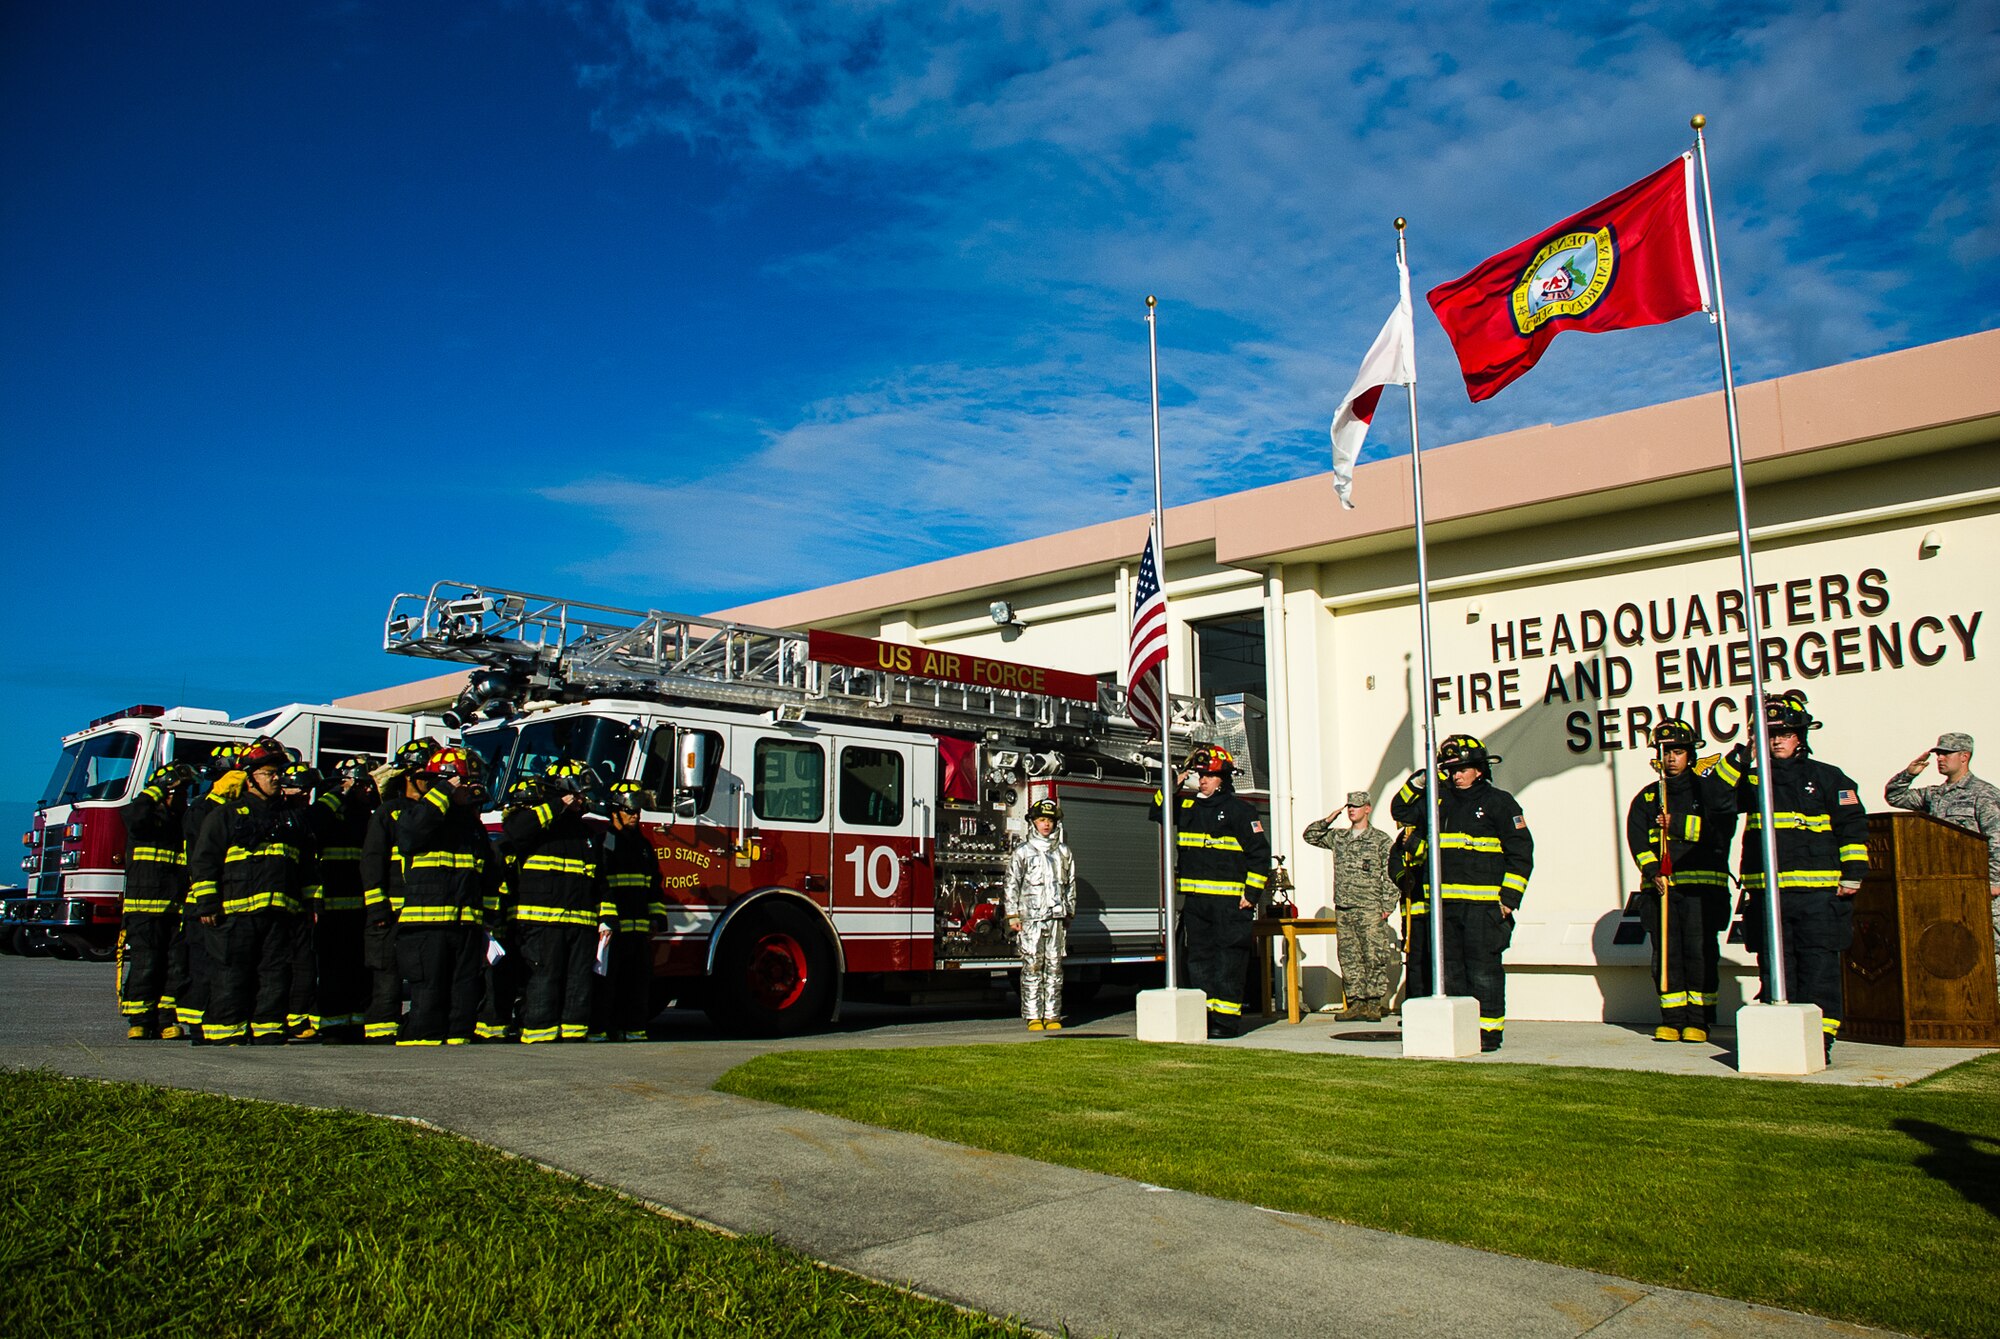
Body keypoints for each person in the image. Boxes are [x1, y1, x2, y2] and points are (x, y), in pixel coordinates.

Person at [1716, 690, 1868, 1061]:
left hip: (1818, 897)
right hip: (1768, 895)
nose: (1777, 740)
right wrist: (1744, 753)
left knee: (1818, 969)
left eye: (1784, 733)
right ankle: (1779, 1039)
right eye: (1769, 734)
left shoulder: (1828, 778)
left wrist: (1852, 875)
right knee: (1775, 968)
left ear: (1800, 736)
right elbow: (1717, 799)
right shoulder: (1751, 780)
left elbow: (1852, 827)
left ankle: (1820, 1041)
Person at [1390, 734, 1533, 1052]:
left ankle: (1488, 1033)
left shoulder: (1500, 802)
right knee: (1450, 971)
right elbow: (1400, 809)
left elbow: (1521, 852)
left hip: (1484, 908)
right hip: (1444, 907)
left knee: (1484, 972)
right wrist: (1422, 779)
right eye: (1451, 769)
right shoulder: (1437, 802)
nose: (1456, 774)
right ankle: (1461, 1029)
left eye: (1462, 768)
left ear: (1479, 769)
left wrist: (1509, 900)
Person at [188, 737, 312, 1044]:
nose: (275, 777)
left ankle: (268, 1030)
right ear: (249, 778)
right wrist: (207, 903)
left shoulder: (290, 818)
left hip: (279, 915)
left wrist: (310, 905)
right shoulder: (226, 815)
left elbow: (306, 865)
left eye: (277, 772)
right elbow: (204, 861)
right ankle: (225, 1033)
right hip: (234, 915)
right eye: (267, 772)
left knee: (275, 973)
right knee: (232, 974)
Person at [1624, 720, 1738, 1044]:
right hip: (1663, 892)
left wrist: (1678, 825)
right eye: (1665, 752)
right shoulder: (1647, 799)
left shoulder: (1708, 793)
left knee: (1699, 954)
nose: (1671, 758)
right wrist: (1652, 872)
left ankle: (1699, 1022)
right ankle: (1672, 1019)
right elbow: (1638, 842)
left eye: (1677, 751)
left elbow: (1720, 833)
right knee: (1666, 956)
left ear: (1690, 753)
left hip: (1701, 892)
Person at [1156, 745, 1271, 1038]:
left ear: (1224, 778)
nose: (1203, 779)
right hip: (1197, 901)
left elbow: (1259, 855)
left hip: (1231, 903)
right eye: (1200, 774)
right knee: (1199, 959)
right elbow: (1157, 810)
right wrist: (1174, 782)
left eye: (1209, 775)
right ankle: (1204, 1014)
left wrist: (1252, 893)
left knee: (1229, 959)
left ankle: (1227, 1020)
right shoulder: (1185, 806)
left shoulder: (1241, 811)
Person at [394, 745, 501, 1045]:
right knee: (428, 996)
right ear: (448, 782)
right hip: (427, 927)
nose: (474, 789)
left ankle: (458, 1054)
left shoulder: (471, 826)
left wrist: (487, 919)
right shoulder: (416, 813)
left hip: (466, 925)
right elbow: (409, 837)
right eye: (466, 783)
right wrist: (442, 793)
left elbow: (487, 874)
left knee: (464, 996)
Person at [1885, 731, 2000, 996]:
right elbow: (1895, 797)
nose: (1940, 759)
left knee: (1991, 953)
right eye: (1938, 754)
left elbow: (1997, 840)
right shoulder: (1935, 794)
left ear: (1964, 757)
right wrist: (1909, 773)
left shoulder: (1983, 794)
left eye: (1946, 754)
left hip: (1980, 889)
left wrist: (1994, 881)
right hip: (1946, 889)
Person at [503, 759, 602, 1044]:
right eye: (578, 792)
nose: (583, 799)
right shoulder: (536, 821)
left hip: (580, 923)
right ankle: (539, 1034)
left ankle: (573, 1035)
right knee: (544, 978)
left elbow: (599, 881)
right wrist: (558, 804)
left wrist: (603, 918)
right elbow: (515, 832)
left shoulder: (585, 833)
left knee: (578, 982)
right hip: (542, 921)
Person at [360, 737, 439, 1042]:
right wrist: (378, 907)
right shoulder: (389, 813)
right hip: (390, 913)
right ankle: (380, 1039)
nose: (430, 781)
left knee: (424, 978)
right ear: (408, 775)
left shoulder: (439, 815)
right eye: (424, 774)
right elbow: (371, 863)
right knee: (387, 979)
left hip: (424, 912)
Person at [1302, 790, 1399, 1022]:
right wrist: (1328, 819)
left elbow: (1392, 873)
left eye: (1357, 806)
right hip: (1344, 906)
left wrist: (1388, 904)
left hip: (1370, 907)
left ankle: (1374, 1003)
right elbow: (1310, 836)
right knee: (1349, 956)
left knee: (1374, 955)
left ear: (1368, 808)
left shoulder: (1380, 840)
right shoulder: (1340, 838)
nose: (1352, 810)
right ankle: (1356, 1002)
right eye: (1349, 807)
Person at [117, 761, 197, 1039]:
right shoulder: (145, 818)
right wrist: (156, 791)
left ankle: (166, 1019)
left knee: (176, 965)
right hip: (143, 909)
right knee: (146, 963)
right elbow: (132, 817)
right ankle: (140, 1020)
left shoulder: (182, 822)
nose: (182, 797)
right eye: (179, 791)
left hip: (175, 909)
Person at [307, 757, 378, 1042]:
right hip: (332, 907)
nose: (368, 790)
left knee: (359, 969)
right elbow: (315, 822)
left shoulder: (367, 815)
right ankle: (333, 1025)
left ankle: (355, 1023)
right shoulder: (329, 810)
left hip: (359, 907)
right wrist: (339, 793)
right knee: (333, 969)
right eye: (361, 785)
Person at [593, 781, 667, 1042]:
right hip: (615, 929)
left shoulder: (644, 846)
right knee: (607, 982)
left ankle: (634, 1029)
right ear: (615, 812)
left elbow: (653, 884)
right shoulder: (605, 844)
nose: (635, 816)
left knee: (637, 982)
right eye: (629, 811)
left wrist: (657, 916)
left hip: (639, 930)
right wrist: (606, 919)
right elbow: (601, 883)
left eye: (637, 812)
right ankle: (602, 1029)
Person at [1005, 798, 1078, 1031]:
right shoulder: (1023, 852)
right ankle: (1033, 1015)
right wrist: (1013, 914)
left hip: (1056, 917)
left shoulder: (1063, 852)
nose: (1046, 825)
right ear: (1033, 822)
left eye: (1050, 820)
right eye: (1042, 820)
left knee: (1055, 966)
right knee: (1033, 965)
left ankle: (1052, 1015)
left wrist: (1069, 911)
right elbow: (1011, 884)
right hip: (1031, 918)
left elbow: (1070, 884)